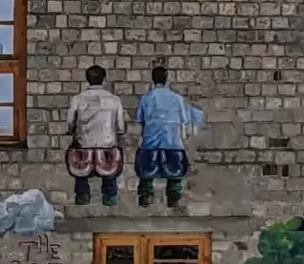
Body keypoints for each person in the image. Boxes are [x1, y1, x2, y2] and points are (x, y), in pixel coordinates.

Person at [134, 66, 202, 207]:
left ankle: (146, 196)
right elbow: (183, 122)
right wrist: (184, 140)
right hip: (173, 142)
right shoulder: (177, 99)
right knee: (175, 174)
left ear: (153, 79)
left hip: (150, 142)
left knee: (146, 172)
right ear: (166, 79)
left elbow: (140, 122)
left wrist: (142, 140)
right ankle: (173, 198)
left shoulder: (145, 99)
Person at [66, 65, 126, 206]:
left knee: (79, 168)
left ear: (88, 80)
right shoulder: (114, 100)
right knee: (111, 170)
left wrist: (72, 131)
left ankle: (82, 196)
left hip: (84, 143)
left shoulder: (78, 99)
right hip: (107, 143)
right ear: (104, 79)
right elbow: (120, 127)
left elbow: (70, 123)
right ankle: (110, 197)